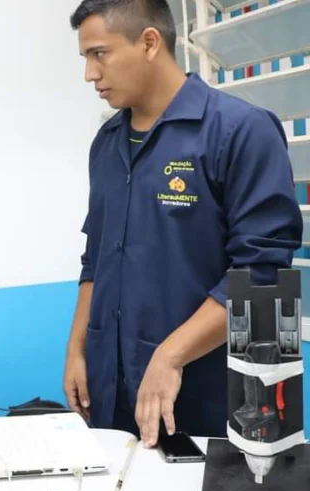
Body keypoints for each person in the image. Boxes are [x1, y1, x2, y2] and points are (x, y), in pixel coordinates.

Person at [63, 0, 302, 448]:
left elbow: (260, 274)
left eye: (99, 54)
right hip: (112, 393)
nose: (90, 74)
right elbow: (95, 259)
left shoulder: (240, 131)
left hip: (207, 398)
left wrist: (170, 356)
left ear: (150, 43)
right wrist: (77, 350)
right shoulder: (107, 143)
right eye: (85, 57)